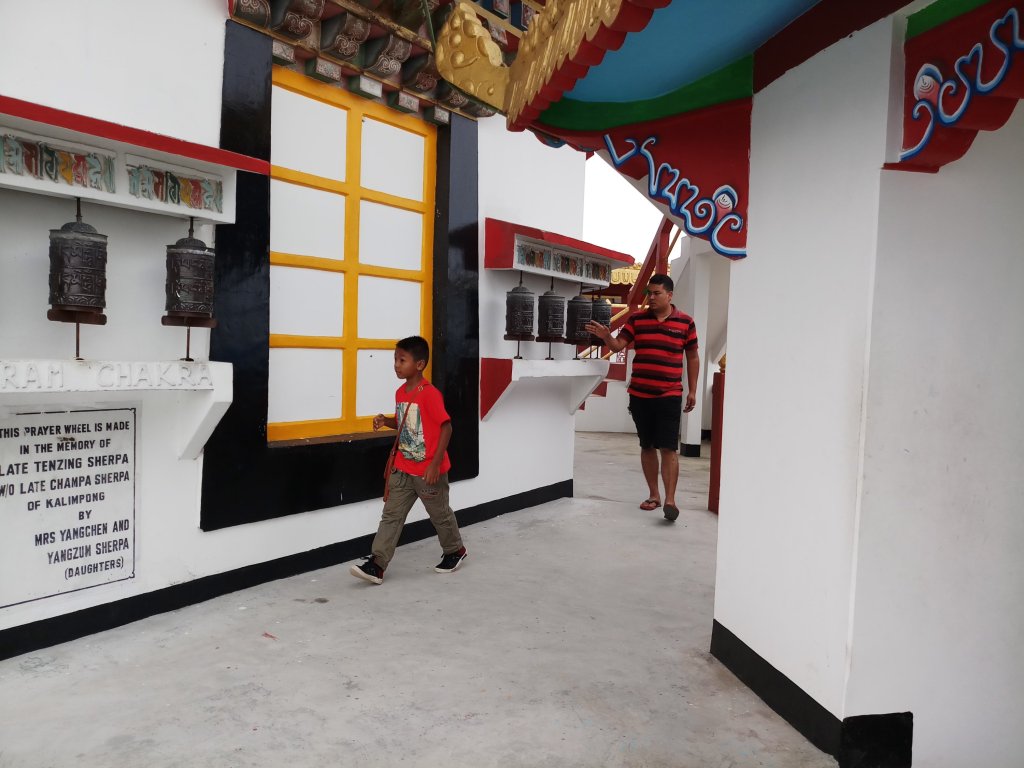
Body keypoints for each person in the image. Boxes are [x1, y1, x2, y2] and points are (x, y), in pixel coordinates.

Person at [350, 336, 467, 585]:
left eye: (402, 360)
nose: (396, 365)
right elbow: (408, 422)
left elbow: (446, 428)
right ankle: (377, 565)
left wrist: (435, 464)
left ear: (420, 364)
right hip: (403, 467)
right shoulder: (400, 392)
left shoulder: (430, 394)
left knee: (440, 515)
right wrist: (387, 421)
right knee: (391, 516)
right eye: (395, 359)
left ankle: (455, 550)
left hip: (428, 471)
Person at [585, 274, 699, 522]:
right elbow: (618, 346)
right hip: (639, 394)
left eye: (656, 293)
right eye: (649, 293)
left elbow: (692, 357)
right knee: (647, 445)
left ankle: (670, 500)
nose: (651, 298)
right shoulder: (637, 320)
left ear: (670, 295)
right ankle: (654, 495)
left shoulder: (686, 323)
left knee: (668, 448)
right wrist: (606, 336)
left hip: (669, 394)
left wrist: (692, 390)